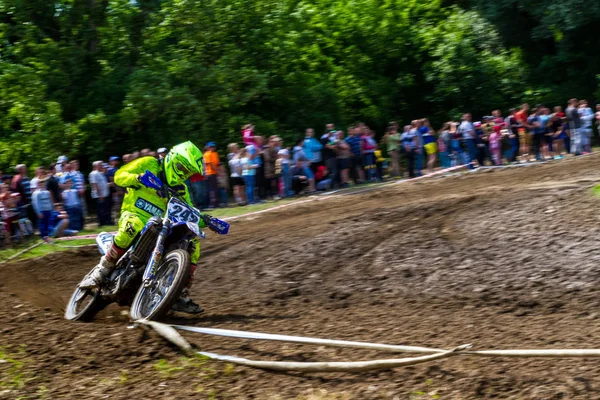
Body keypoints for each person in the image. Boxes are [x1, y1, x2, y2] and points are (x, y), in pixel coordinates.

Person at [79, 142, 210, 313]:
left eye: (188, 172)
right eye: (182, 168)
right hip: (134, 213)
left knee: (192, 242)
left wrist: (206, 220)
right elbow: (119, 175)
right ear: (172, 158)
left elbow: (189, 213)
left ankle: (180, 292)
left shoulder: (181, 189)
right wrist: (138, 178)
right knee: (132, 226)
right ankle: (104, 268)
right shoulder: (149, 163)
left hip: (160, 224)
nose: (183, 174)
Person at [89, 161, 111, 227]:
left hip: (104, 195)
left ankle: (106, 222)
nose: (101, 166)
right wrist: (99, 194)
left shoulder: (101, 173)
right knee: (100, 210)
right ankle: (102, 223)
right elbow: (94, 184)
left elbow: (103, 184)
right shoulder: (93, 174)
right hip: (99, 196)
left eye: (101, 165)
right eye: (100, 165)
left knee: (104, 209)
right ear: (95, 166)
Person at [203, 142, 221, 209]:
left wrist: (219, 171)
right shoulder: (207, 154)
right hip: (210, 173)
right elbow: (211, 164)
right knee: (212, 189)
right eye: (211, 146)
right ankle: (213, 203)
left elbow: (217, 163)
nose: (213, 148)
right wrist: (218, 171)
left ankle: (217, 203)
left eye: (213, 146)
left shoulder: (215, 153)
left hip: (215, 173)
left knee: (215, 188)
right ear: (207, 147)